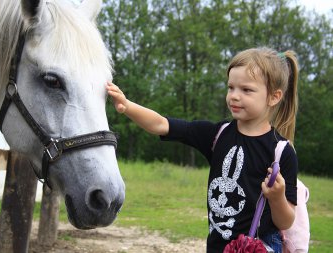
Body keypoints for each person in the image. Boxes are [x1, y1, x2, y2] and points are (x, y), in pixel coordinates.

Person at [107, 47, 298, 253]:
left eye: (246, 90)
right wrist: (127, 105)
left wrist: (277, 198)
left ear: (274, 97)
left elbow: (285, 222)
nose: (234, 96)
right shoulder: (217, 135)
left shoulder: (281, 152)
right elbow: (162, 124)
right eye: (230, 87)